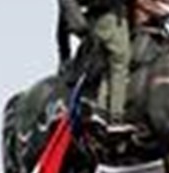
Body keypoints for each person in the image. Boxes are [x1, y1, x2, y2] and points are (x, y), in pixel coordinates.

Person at [57, 0, 134, 132]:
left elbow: (63, 23)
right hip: (112, 17)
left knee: (106, 67)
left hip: (92, 23)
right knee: (119, 64)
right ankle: (116, 117)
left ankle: (100, 111)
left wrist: (65, 53)